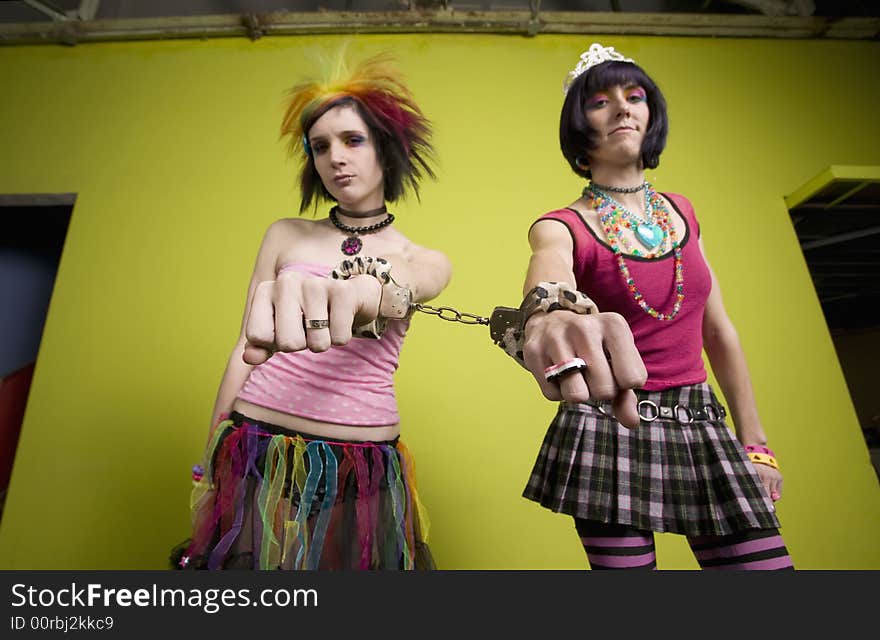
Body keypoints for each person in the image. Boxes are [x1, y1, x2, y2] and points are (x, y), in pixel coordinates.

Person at [515, 43, 793, 570]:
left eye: (635, 95)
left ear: (651, 114)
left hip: (701, 422)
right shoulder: (559, 225)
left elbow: (719, 331)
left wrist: (756, 445)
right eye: (600, 101)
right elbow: (547, 285)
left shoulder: (683, 212)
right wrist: (546, 312)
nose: (622, 107)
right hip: (609, 423)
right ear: (580, 127)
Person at [173, 52, 451, 570]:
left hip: (360, 463)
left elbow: (406, 286)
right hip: (255, 445)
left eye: (352, 140)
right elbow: (245, 349)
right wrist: (212, 455)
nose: (335, 158)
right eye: (320, 147)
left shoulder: (422, 259)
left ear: (385, 151)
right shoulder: (285, 233)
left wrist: (371, 290)